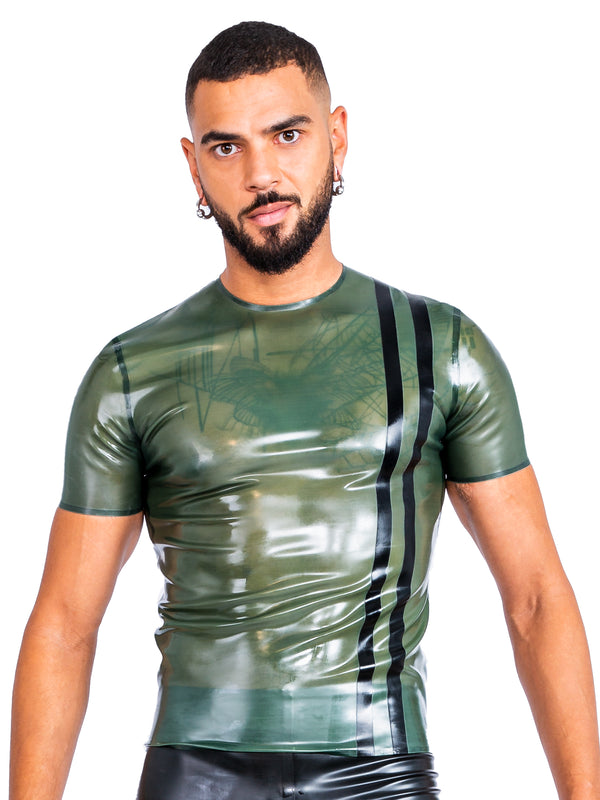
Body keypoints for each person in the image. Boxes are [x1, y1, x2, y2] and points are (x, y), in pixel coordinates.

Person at [10, 20, 600, 800]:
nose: (262, 174)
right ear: (193, 167)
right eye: (226, 147)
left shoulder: (439, 348)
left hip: (379, 767)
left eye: (287, 135)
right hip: (197, 772)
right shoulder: (133, 371)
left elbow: (535, 600)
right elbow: (63, 626)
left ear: (337, 137)